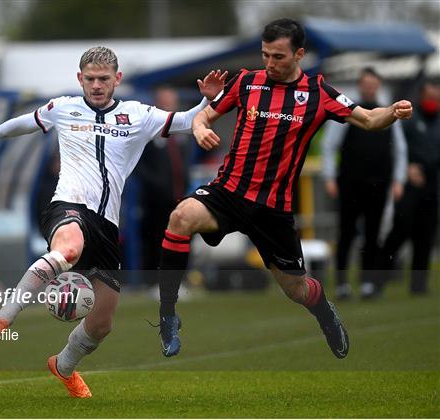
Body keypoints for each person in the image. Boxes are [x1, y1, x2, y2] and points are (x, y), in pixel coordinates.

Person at [0, 46, 226, 398]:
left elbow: (184, 121)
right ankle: (3, 317)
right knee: (68, 247)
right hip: (67, 205)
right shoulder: (63, 107)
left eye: (104, 79)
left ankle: (64, 366)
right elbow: (26, 122)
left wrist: (208, 101)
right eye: (90, 79)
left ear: (117, 79)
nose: (97, 85)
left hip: (106, 225)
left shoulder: (139, 115)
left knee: (102, 324)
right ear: (80, 79)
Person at [156, 18, 412, 359]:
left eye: (278, 57)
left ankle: (324, 312)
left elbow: (368, 118)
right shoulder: (247, 82)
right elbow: (204, 116)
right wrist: (201, 129)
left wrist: (393, 111)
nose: (270, 64)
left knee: (296, 289)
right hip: (228, 193)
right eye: (265, 55)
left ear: (299, 54)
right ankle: (168, 314)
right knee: (180, 217)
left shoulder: (319, 93)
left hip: (272, 210)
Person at [322, 67, 407, 300]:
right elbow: (329, 146)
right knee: (346, 232)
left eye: (373, 83)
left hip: (379, 183)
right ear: (361, 85)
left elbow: (400, 149)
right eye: (366, 83)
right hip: (350, 182)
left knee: (372, 234)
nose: (370, 87)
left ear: (377, 86)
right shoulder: (349, 110)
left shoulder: (391, 113)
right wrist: (329, 176)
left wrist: (399, 179)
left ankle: (368, 282)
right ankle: (341, 284)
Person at [379, 81, 440, 295]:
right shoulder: (409, 119)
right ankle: (377, 280)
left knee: (425, 236)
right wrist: (406, 169)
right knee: (399, 231)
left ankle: (419, 286)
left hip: (432, 185)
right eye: (430, 96)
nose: (433, 101)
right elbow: (394, 146)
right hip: (409, 185)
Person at [134, 87, 191, 276]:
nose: (168, 106)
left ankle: (178, 280)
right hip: (155, 201)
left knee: (179, 238)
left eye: (171, 102)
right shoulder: (148, 130)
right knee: (155, 238)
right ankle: (152, 280)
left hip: (180, 197)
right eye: (164, 102)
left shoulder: (183, 131)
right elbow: (138, 165)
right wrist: (156, 184)